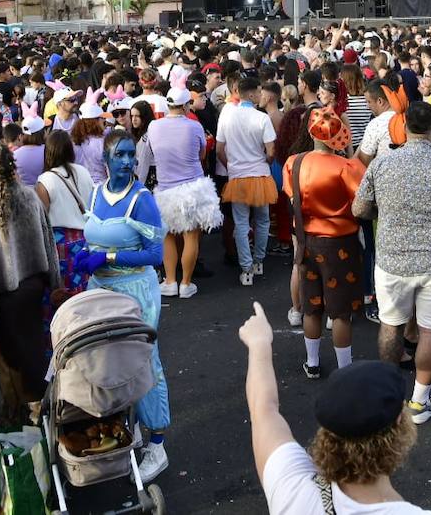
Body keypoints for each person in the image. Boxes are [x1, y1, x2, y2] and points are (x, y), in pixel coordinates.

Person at [240, 302, 431, 514]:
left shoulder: (292, 488)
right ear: (400, 423)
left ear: (328, 433)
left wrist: (259, 344)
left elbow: (264, 409)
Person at [355, 101, 431, 426]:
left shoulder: (383, 165)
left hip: (393, 259)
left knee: (391, 324)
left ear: (404, 127)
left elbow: (360, 210)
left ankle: (389, 396)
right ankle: (419, 402)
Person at [74, 129, 171, 483]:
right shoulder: (96, 192)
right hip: (101, 289)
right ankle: (130, 429)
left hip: (135, 292)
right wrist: (85, 255)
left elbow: (155, 254)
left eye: (132, 155)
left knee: (144, 361)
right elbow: (91, 233)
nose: (128, 162)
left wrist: (108, 255)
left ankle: (157, 442)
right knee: (109, 362)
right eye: (121, 155)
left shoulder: (142, 199)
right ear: (106, 159)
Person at [0, 139, 59, 424]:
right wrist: (54, 281)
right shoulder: (30, 197)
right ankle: (36, 412)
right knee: (33, 349)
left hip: (2, 294)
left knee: (7, 354)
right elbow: (48, 241)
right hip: (32, 286)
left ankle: (14, 413)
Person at [283, 107, 366, 379]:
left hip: (306, 241)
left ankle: (313, 362)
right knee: (341, 312)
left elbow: (290, 197)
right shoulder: (347, 167)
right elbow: (362, 203)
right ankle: (345, 368)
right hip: (340, 242)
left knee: (311, 305)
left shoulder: (293, 163)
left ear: (310, 132)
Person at [145, 86, 222, 299]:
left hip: (165, 189)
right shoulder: (194, 126)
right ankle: (186, 284)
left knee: (168, 236)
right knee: (191, 237)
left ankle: (170, 281)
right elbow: (202, 153)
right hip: (193, 188)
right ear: (186, 105)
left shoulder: (153, 126)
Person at [217, 76, 278, 287]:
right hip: (260, 174)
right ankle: (259, 261)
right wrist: (264, 160)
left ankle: (246, 269)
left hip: (238, 176)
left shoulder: (227, 117)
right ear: (251, 94)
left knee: (241, 224)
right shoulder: (262, 118)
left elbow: (219, 150)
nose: (261, 94)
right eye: (259, 91)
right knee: (262, 220)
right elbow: (271, 151)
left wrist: (231, 165)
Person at [35, 129, 96, 297]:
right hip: (85, 239)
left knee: (61, 294)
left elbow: (41, 219)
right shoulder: (83, 171)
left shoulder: (45, 180)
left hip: (59, 244)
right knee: (83, 290)